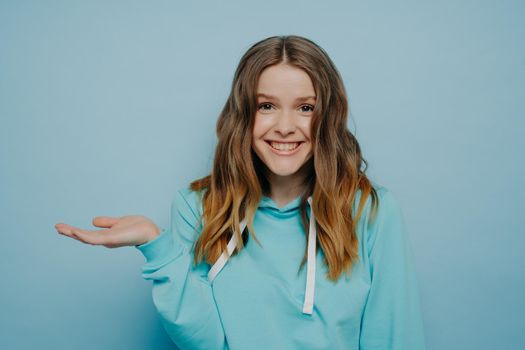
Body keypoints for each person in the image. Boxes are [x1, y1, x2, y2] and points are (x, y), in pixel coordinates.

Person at [55, 35, 426, 350]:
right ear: (243, 116)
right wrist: (157, 245)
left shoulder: (372, 212)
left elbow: (396, 337)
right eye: (266, 106)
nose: (284, 126)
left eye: (305, 108)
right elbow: (206, 341)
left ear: (327, 116)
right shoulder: (197, 208)